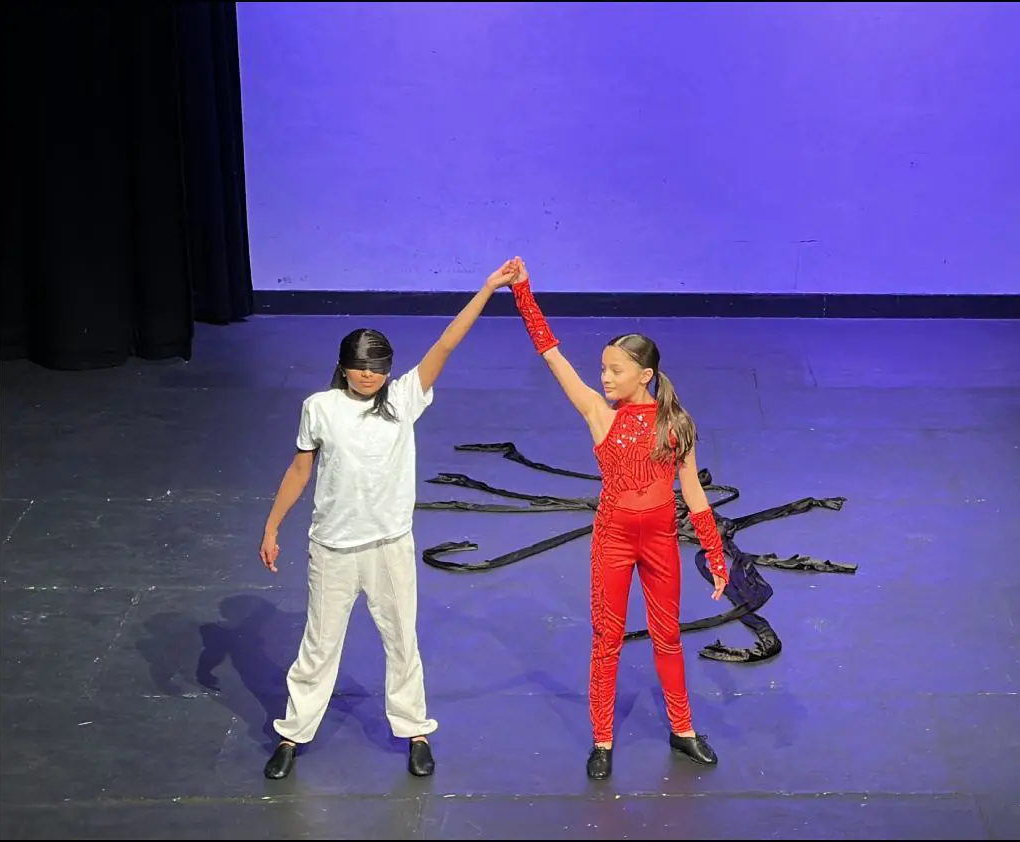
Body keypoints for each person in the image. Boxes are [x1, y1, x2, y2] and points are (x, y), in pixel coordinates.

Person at [257, 259, 519, 780]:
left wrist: (489, 288)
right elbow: (300, 468)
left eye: (378, 368)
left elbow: (446, 344)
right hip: (332, 549)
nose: (369, 375)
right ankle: (293, 733)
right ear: (344, 367)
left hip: (389, 547)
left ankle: (415, 731)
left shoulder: (403, 400)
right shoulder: (320, 407)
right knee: (318, 646)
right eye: (360, 367)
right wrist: (271, 526)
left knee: (402, 641)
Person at [505, 257, 729, 780]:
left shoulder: (676, 423)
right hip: (613, 539)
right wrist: (523, 292)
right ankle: (602, 738)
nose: (604, 378)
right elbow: (551, 354)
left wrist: (715, 555)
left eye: (615, 370)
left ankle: (683, 729)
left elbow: (694, 492)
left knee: (668, 636)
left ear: (644, 376)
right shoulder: (598, 414)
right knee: (606, 639)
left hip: (660, 542)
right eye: (603, 369)